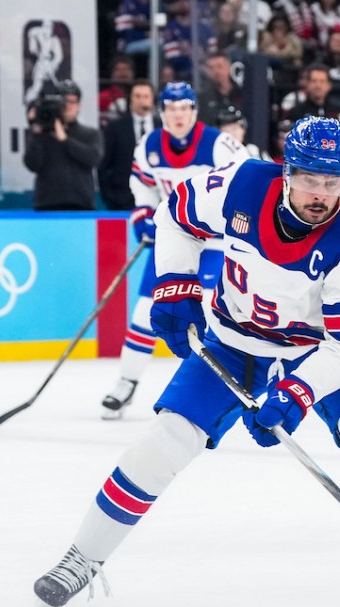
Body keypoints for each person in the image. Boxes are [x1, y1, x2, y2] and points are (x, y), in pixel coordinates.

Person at [32, 117, 340, 607]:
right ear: (287, 172)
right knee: (165, 440)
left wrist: (297, 391)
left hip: (317, 349)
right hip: (233, 341)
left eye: (333, 182)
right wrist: (174, 283)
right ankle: (82, 558)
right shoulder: (240, 183)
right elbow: (174, 217)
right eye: (310, 180)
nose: (321, 194)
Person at [100, 81, 247, 419]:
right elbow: (144, 188)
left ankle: (213, 389)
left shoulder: (220, 144)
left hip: (215, 241)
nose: (178, 116)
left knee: (210, 313)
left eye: (184, 109)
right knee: (144, 314)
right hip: (174, 238)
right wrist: (143, 216)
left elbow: (246, 182)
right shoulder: (149, 145)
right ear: (162, 112)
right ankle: (126, 382)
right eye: (171, 109)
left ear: (194, 111)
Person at [23, 79, 102, 211]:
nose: (68, 106)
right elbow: (32, 164)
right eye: (64, 101)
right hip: (47, 205)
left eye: (73, 102)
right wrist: (37, 134)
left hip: (81, 205)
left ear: (79, 105)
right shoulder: (43, 134)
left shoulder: (90, 134)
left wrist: (65, 140)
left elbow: (93, 158)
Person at [98, 78, 159, 211]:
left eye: (146, 96)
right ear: (130, 99)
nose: (142, 100)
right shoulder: (115, 128)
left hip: (159, 199)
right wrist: (109, 197)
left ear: (152, 99)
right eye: (137, 96)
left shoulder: (163, 127)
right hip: (123, 200)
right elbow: (103, 165)